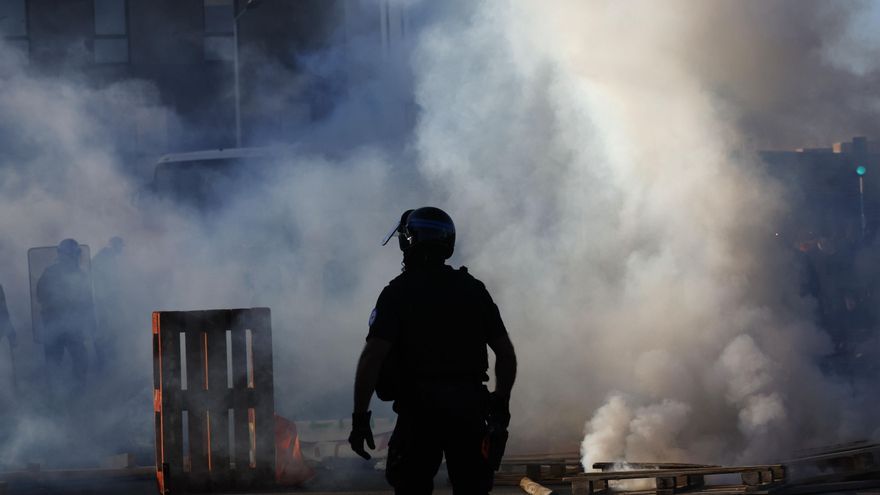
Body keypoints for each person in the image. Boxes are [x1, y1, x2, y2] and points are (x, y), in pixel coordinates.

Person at [349, 207, 517, 494]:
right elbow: (505, 353)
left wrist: (360, 417)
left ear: (409, 242)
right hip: (468, 410)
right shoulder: (473, 290)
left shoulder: (398, 293)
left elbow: (372, 357)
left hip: (418, 413)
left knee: (411, 487)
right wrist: (501, 405)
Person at [36, 239, 96, 400]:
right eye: (70, 254)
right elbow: (40, 295)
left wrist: (89, 322)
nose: (73, 257)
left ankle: (77, 395)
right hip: (54, 324)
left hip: (73, 326)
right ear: (63, 255)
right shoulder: (50, 272)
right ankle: (55, 397)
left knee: (81, 361)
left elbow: (88, 301)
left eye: (74, 254)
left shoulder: (81, 274)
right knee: (53, 364)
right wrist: (58, 302)